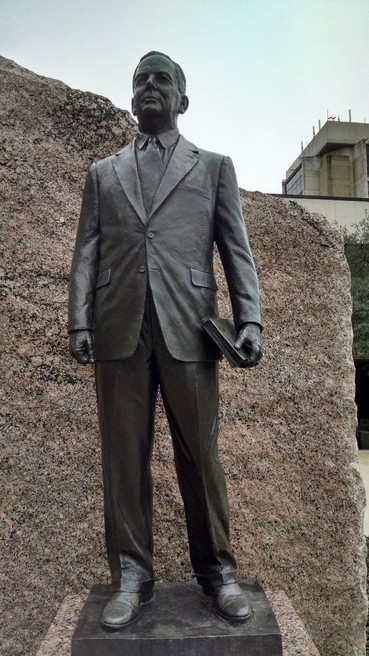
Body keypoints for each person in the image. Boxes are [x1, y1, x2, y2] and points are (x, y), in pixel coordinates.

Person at [68, 51, 262, 631]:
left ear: (182, 99)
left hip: (190, 330)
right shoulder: (103, 173)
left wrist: (249, 319)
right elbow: (86, 252)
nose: (150, 87)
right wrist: (79, 321)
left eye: (162, 80)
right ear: (132, 99)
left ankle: (218, 575)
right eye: (140, 81)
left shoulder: (214, 168)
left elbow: (236, 249)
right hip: (118, 326)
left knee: (200, 456)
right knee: (123, 460)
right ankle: (131, 576)